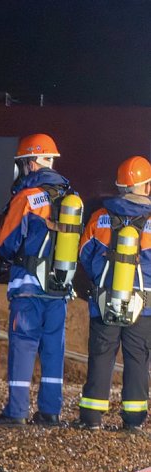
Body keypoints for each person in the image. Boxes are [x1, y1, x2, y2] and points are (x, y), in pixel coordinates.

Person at [0, 133, 79, 427]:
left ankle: (16, 412)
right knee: (53, 351)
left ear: (32, 162)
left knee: (23, 346)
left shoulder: (26, 197)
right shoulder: (69, 198)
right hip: (59, 288)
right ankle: (50, 413)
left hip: (28, 289)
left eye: (24, 163)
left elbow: (6, 243)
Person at [76, 156, 151, 431]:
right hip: (144, 306)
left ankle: (92, 418)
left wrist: (100, 277)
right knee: (137, 361)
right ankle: (133, 421)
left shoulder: (100, 216)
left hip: (104, 300)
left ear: (120, 186)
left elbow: (84, 253)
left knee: (101, 357)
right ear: (146, 185)